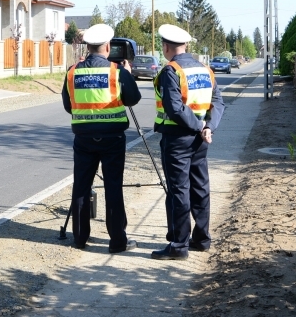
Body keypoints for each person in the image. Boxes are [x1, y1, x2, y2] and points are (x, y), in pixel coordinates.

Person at [61, 23, 142, 253]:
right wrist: (127, 73)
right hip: (113, 139)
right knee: (113, 187)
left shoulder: (72, 71)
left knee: (81, 187)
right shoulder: (117, 72)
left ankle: (79, 238)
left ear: (87, 47)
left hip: (84, 139)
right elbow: (133, 99)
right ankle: (117, 241)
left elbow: (69, 106)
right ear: (107, 46)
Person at [151, 24, 225, 260]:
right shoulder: (206, 70)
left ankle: (179, 245)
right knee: (200, 188)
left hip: (177, 139)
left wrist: (199, 127)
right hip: (201, 140)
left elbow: (174, 109)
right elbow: (218, 103)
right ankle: (202, 239)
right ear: (186, 45)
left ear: (166, 46)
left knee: (179, 191)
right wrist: (208, 127)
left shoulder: (171, 71)